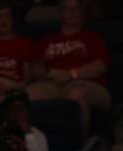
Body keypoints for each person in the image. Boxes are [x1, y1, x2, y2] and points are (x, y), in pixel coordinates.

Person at [26, 0, 111, 129]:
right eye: (67, 8)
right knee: (27, 95)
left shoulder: (93, 37)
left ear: (82, 12)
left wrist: (71, 74)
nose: (72, 12)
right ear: (60, 12)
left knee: (75, 93)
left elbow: (100, 67)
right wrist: (49, 73)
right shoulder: (46, 40)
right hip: (52, 83)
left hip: (87, 83)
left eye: (76, 8)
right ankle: (33, 139)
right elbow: (34, 69)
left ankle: (80, 140)